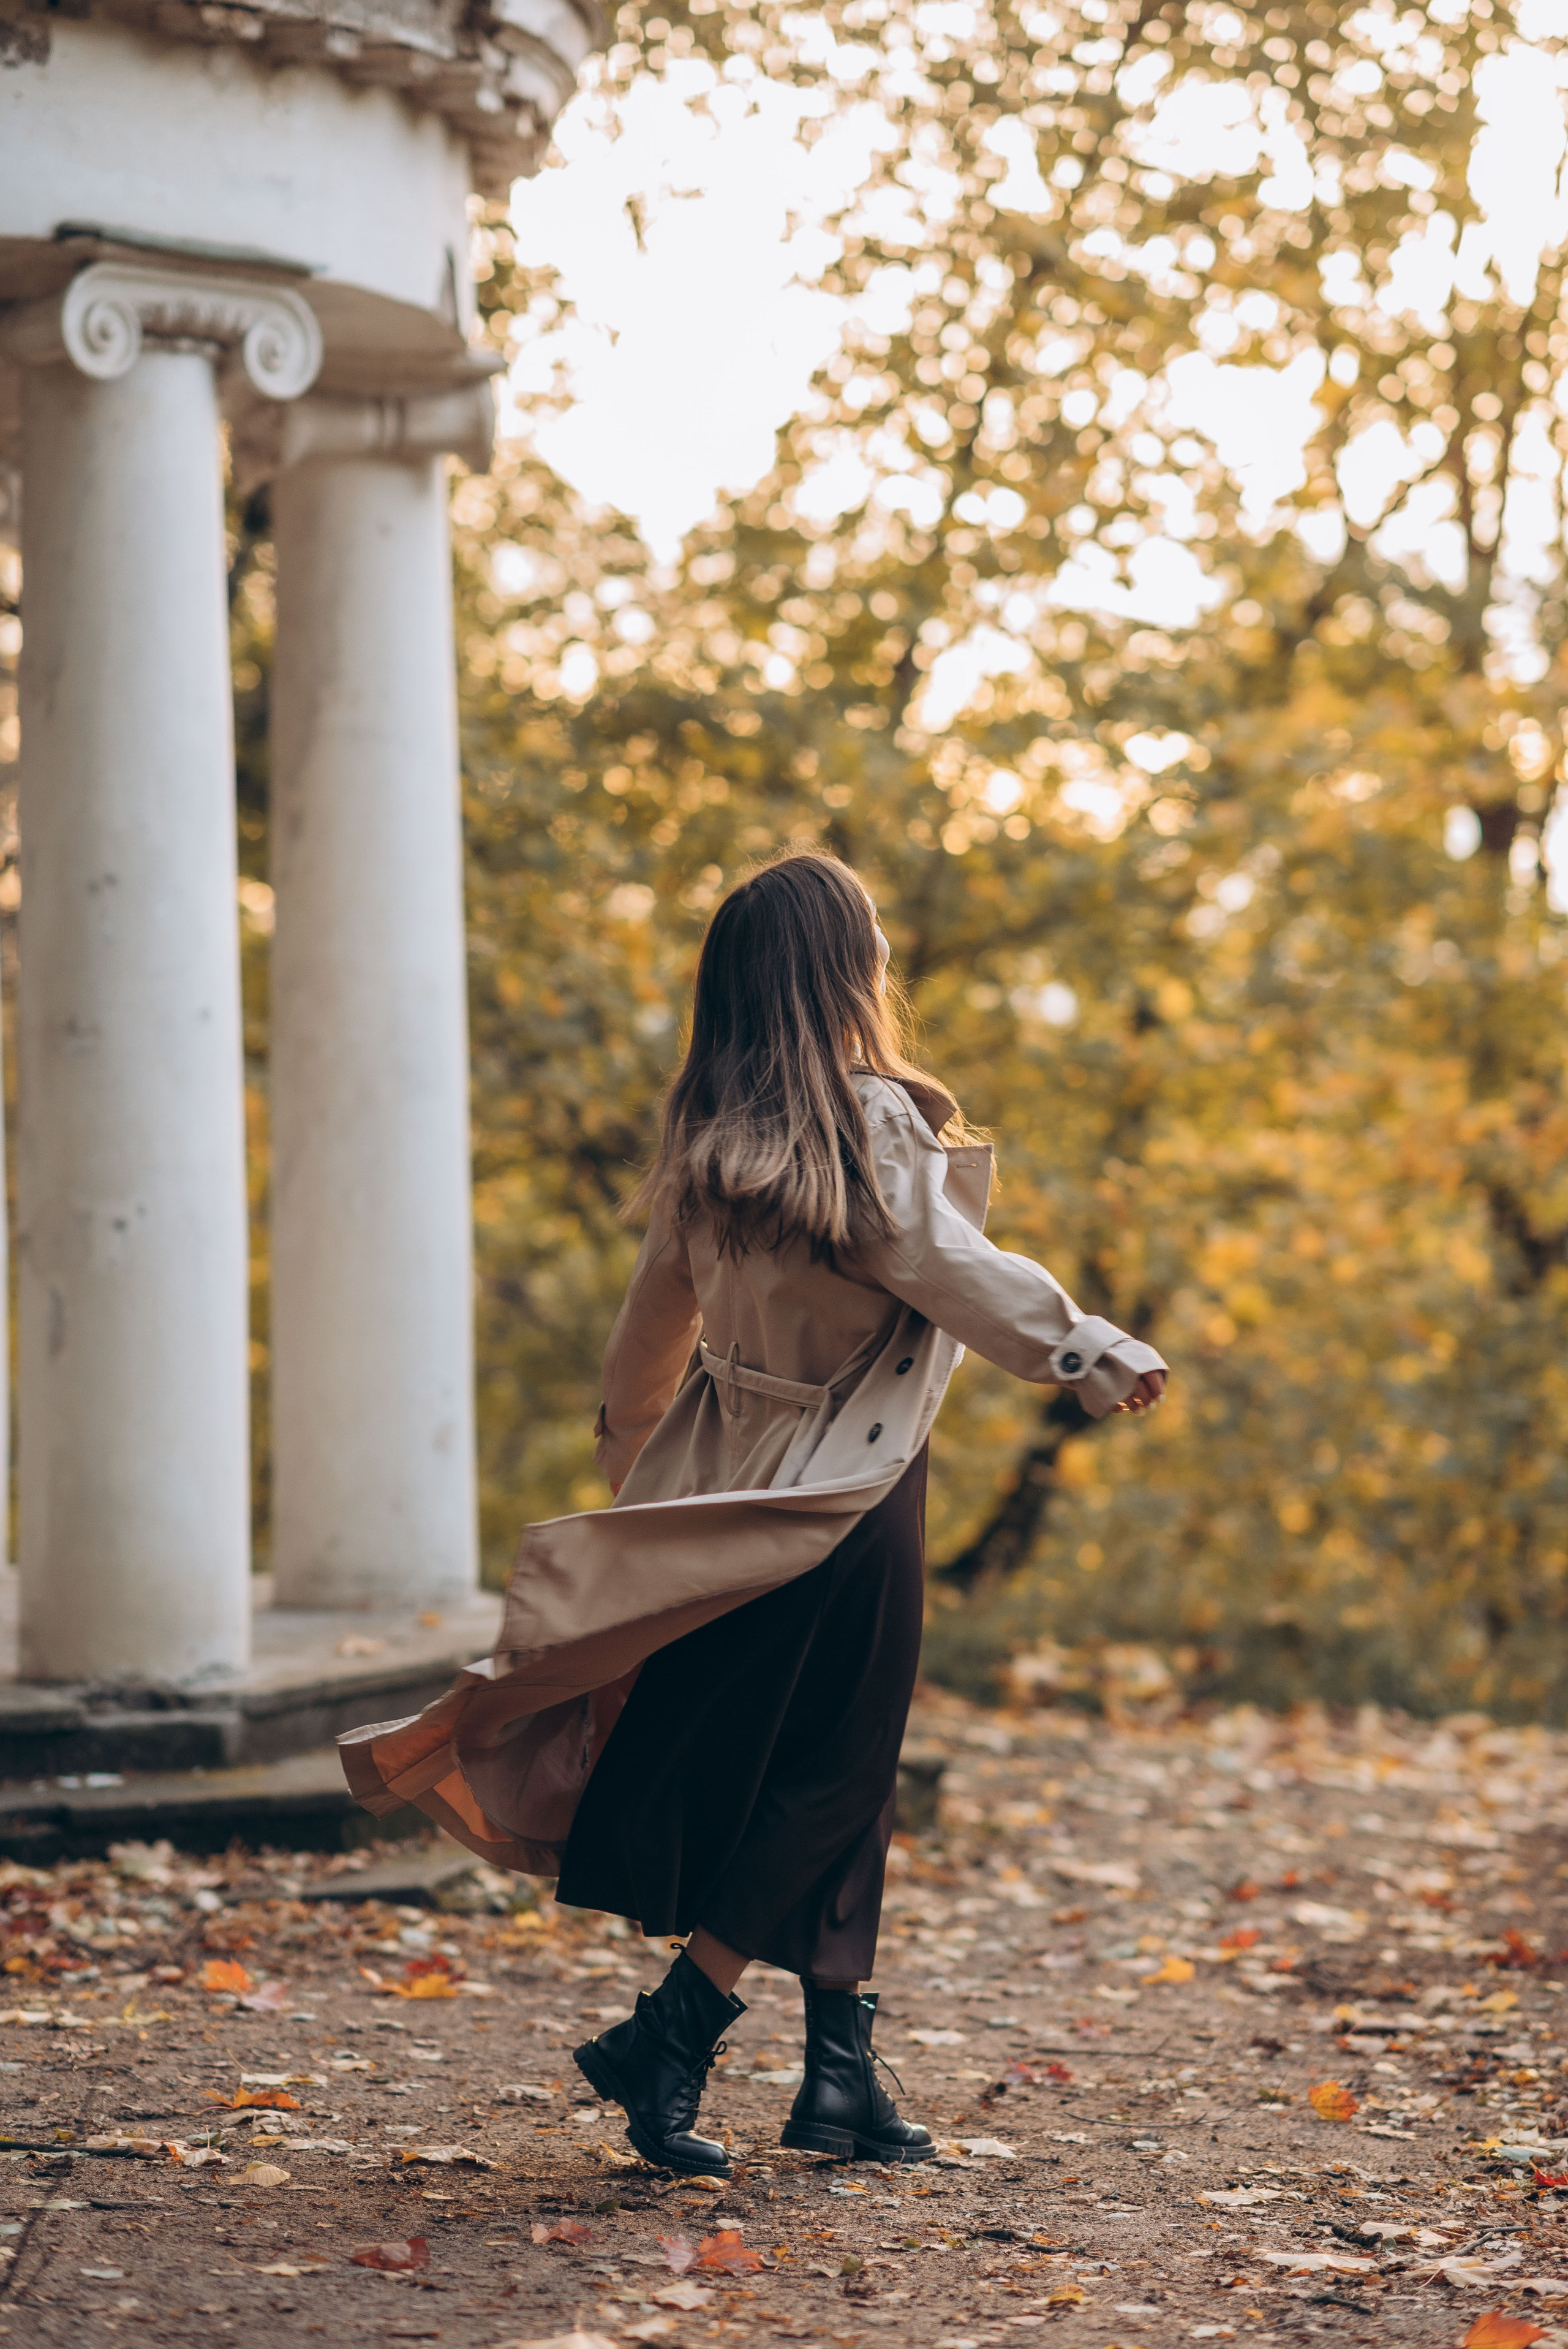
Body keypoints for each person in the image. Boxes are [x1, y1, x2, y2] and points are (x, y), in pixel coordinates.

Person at [339, 849, 1167, 2180]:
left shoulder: (713, 1147)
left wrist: (642, 1486)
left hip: (731, 1485)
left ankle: (837, 2076)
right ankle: (674, 2028)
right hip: (850, 1484)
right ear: (842, 971)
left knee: (829, 1767)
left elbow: (643, 1335)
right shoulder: (868, 1126)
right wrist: (1082, 1347)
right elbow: (949, 1266)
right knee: (838, 1770)